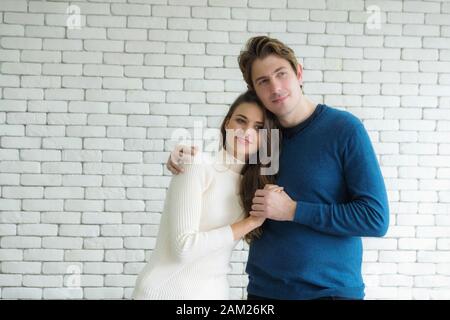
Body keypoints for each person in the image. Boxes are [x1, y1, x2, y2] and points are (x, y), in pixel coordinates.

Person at [167, 36, 390, 300]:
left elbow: (375, 218)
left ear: (298, 73)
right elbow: (223, 171)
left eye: (281, 74)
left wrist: (294, 210)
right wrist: (186, 158)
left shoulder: (344, 129)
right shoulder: (261, 138)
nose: (275, 87)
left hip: (330, 293)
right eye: (263, 81)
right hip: (263, 293)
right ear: (254, 90)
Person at [132, 90, 281, 300]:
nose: (247, 132)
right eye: (241, 121)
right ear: (228, 124)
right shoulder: (196, 164)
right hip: (164, 293)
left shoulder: (254, 187)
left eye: (258, 128)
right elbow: (183, 248)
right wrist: (251, 222)